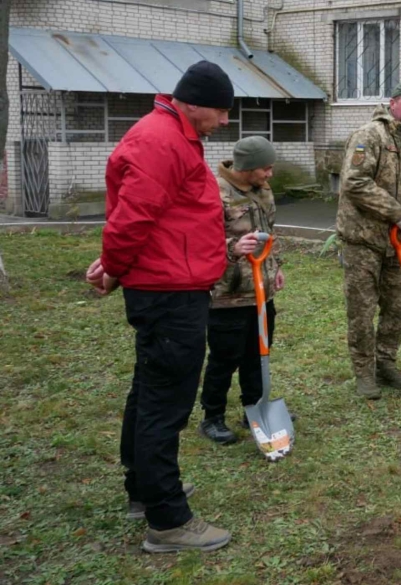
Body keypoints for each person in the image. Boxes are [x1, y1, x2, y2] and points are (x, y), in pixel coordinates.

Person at [85, 61, 254, 552]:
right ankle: (167, 520)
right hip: (168, 291)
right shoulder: (160, 141)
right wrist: (114, 266)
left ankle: (144, 489)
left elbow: (152, 215)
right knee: (166, 401)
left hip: (171, 284)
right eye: (221, 111)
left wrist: (117, 264)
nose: (225, 121)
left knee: (149, 390)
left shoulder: (173, 134)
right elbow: (130, 217)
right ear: (194, 102)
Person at [337, 81, 401, 400]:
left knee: (396, 307)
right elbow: (354, 183)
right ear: (393, 103)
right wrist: (399, 214)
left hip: (399, 243)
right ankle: (364, 373)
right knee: (362, 309)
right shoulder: (370, 135)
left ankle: (385, 363)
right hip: (364, 240)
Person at [197, 136, 284, 445]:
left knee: (258, 351)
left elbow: (270, 233)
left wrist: (277, 266)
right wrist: (231, 247)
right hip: (229, 291)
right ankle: (212, 417)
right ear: (248, 167)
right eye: (266, 169)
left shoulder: (263, 190)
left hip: (261, 288)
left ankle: (255, 407)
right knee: (224, 356)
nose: (270, 175)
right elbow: (199, 242)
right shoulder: (215, 193)